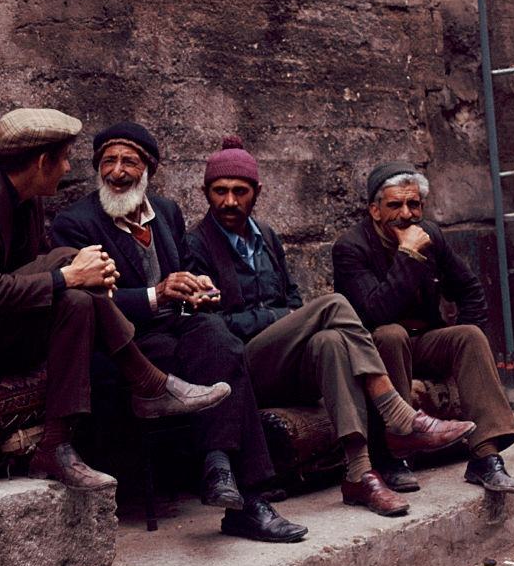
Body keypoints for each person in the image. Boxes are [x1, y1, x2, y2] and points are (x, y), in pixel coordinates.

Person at [0, 108, 230, 491]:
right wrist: (71, 274)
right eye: (64, 159)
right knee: (69, 263)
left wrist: (76, 278)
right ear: (42, 162)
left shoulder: (27, 198)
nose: (68, 168)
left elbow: (33, 275)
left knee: (78, 300)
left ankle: (56, 446)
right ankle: (148, 382)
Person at [186, 137, 476, 517]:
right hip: (242, 367)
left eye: (239, 191)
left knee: (330, 341)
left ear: (257, 192)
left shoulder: (266, 237)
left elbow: (291, 298)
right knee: (334, 304)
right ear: (205, 192)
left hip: (286, 361)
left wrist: (287, 316)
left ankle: (359, 474)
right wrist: (279, 318)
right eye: (219, 191)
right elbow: (208, 324)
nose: (229, 201)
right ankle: (398, 413)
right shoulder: (196, 245)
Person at [51, 121, 307, 543]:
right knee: (220, 355)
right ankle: (244, 492)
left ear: (148, 170)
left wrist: (197, 292)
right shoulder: (76, 223)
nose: (117, 171)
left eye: (129, 162)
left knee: (220, 338)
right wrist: (157, 295)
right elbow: (90, 302)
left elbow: (182, 280)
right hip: (125, 346)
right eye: (108, 162)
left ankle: (221, 470)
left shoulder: (166, 212)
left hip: (176, 328)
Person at [331, 161, 514, 493]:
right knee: (391, 334)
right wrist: (407, 254)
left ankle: (485, 455)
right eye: (395, 205)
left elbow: (470, 289)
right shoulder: (351, 248)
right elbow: (376, 312)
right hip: (376, 354)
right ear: (375, 210)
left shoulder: (430, 235)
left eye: (414, 204)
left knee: (469, 335)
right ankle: (392, 454)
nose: (406, 214)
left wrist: (462, 361)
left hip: (424, 342)